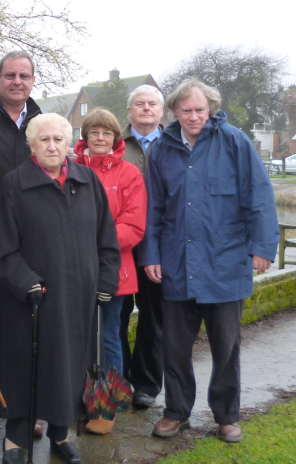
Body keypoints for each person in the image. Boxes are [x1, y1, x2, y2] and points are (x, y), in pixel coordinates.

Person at [139, 78, 279, 443]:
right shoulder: (162, 149)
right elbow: (153, 207)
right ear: (174, 111)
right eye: (186, 110)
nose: (193, 117)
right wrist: (151, 253)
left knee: (226, 348)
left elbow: (259, 195)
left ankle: (227, 417)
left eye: (200, 110)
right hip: (177, 263)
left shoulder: (234, 141)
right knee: (174, 348)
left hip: (225, 263)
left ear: (211, 108)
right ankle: (176, 412)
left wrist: (264, 246)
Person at [0, 113, 121, 464]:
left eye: (58, 140)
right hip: (33, 299)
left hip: (79, 297)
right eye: (44, 140)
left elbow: (106, 238)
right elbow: (4, 247)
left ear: (68, 145)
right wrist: (25, 281)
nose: (52, 146)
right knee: (26, 370)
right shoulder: (15, 183)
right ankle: (15, 440)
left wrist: (106, 280)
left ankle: (61, 435)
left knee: (71, 367)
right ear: (32, 145)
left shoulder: (87, 180)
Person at [0, 51, 41, 440]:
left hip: (31, 244)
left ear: (32, 80)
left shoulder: (44, 122)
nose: (17, 81)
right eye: (10, 75)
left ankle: (27, 406)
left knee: (27, 328)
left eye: (24, 75)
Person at [71, 108, 147, 435]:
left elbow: (134, 225)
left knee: (108, 337)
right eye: (94, 132)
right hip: (72, 270)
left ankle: (105, 406)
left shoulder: (128, 173)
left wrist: (94, 240)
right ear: (85, 136)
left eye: (106, 133)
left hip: (112, 270)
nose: (100, 138)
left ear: (116, 137)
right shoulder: (69, 168)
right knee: (74, 338)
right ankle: (75, 400)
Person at [117, 85, 166, 409]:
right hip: (120, 244)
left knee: (154, 315)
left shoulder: (174, 144)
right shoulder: (115, 144)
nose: (146, 108)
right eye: (139, 104)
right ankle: (119, 380)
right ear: (129, 111)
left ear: (161, 111)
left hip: (160, 245)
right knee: (116, 315)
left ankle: (147, 384)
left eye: (152, 104)